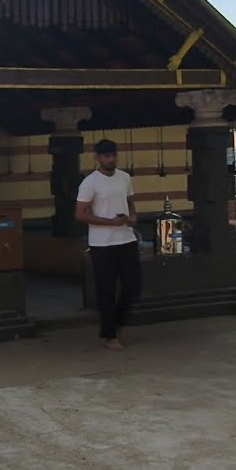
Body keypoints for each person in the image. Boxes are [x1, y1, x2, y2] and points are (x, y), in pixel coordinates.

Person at [75, 138, 141, 350]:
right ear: (98, 158)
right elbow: (80, 214)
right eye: (106, 156)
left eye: (113, 155)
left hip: (127, 238)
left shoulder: (124, 177)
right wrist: (108, 222)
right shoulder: (90, 182)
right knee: (106, 290)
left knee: (133, 285)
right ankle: (110, 335)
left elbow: (130, 200)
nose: (111, 159)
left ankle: (119, 321)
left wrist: (132, 215)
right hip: (102, 244)